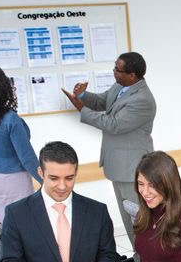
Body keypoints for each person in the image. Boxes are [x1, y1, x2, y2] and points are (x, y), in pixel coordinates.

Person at [62, 52, 156, 246]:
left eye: (117, 69)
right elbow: (102, 102)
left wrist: (82, 109)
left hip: (132, 169)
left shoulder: (143, 100)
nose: (114, 71)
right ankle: (140, 259)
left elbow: (114, 124)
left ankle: (146, 259)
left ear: (132, 75)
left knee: (138, 219)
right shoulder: (121, 86)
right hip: (118, 166)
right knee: (127, 218)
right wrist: (82, 96)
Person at [0, 67, 41, 224]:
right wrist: (47, 182)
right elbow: (27, 158)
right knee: (25, 226)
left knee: (2, 227)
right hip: (14, 181)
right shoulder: (10, 119)